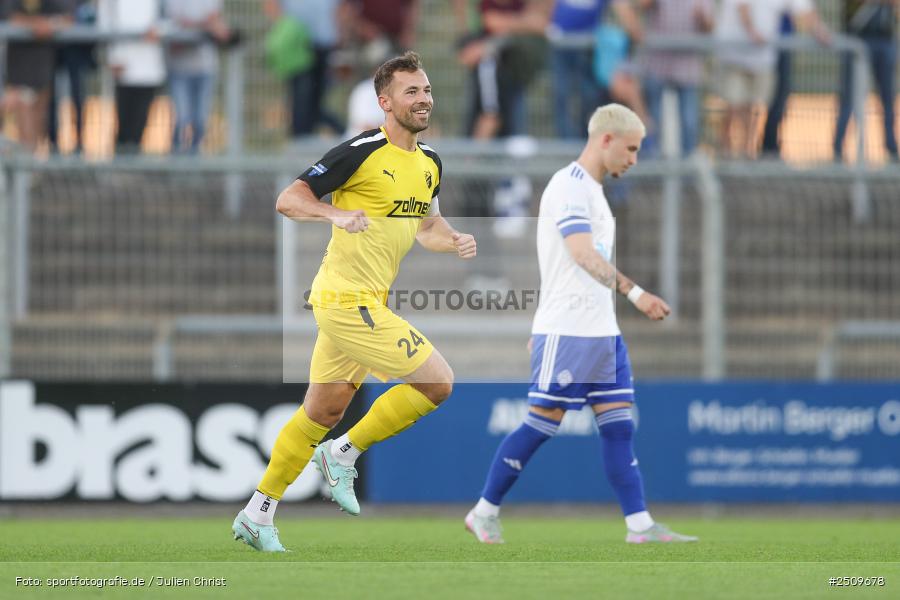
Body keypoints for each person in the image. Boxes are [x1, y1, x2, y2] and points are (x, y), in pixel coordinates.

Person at [233, 52, 477, 552]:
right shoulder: (360, 151)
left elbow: (426, 224)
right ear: (385, 102)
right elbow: (288, 199)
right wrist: (334, 215)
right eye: (412, 91)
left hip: (365, 301)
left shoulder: (430, 162)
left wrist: (452, 238)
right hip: (346, 300)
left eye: (427, 89)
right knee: (439, 382)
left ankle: (257, 513)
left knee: (320, 412)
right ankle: (344, 454)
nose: (424, 98)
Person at [465, 104, 697, 545]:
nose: (633, 159)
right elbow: (582, 255)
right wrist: (636, 293)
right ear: (605, 140)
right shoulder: (569, 187)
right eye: (630, 149)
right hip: (568, 329)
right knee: (541, 423)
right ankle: (483, 512)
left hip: (602, 333)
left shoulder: (593, 192)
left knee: (618, 426)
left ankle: (640, 526)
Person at [714, 0, 828, 158]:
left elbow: (804, 9)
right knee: (733, 106)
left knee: (753, 109)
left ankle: (746, 154)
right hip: (734, 56)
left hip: (762, 60)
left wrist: (820, 31)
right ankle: (725, 155)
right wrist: (752, 31)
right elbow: (742, 7)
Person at [638, 0, 714, 158]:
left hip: (688, 67)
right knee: (653, 120)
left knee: (689, 122)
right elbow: (641, 6)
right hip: (657, 64)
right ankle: (652, 167)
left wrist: (702, 19)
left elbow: (709, 27)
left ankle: (687, 169)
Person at [4, 0, 75, 152]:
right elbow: (9, 17)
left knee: (37, 130)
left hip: (42, 71)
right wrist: (35, 25)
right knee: (25, 129)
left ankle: (28, 171)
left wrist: (49, 24)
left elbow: (67, 19)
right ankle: (25, 171)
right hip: (16, 74)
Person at [834, 0, 898, 163]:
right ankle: (838, 148)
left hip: (884, 39)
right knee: (849, 97)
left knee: (887, 98)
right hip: (857, 39)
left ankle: (891, 148)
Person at [98, 0, 166, 154]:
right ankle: (120, 168)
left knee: (140, 124)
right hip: (123, 66)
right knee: (123, 124)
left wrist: (160, 30)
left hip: (149, 67)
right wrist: (112, 57)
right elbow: (105, 22)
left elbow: (167, 18)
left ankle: (132, 168)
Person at [164, 0, 230, 154]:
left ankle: (193, 165)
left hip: (205, 69)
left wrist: (194, 26)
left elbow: (213, 21)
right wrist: (204, 25)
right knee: (182, 119)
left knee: (200, 121)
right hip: (179, 68)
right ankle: (175, 165)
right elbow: (176, 24)